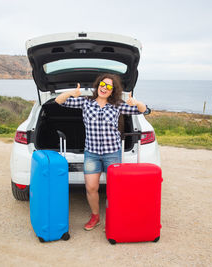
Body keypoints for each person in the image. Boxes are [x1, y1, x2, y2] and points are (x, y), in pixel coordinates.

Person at [55, 73, 147, 231]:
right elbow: (59, 101)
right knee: (91, 187)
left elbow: (144, 111)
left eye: (109, 87)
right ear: (97, 86)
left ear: (113, 91)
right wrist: (71, 93)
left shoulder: (117, 105)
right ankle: (95, 217)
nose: (105, 88)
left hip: (112, 153)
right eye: (103, 85)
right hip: (92, 153)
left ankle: (113, 217)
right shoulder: (85, 102)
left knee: (114, 189)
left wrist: (136, 102)